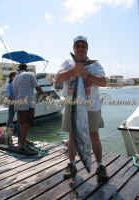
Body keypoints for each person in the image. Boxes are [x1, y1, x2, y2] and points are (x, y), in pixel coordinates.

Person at [55, 35, 109, 184]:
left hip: (92, 107)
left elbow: (103, 82)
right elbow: (57, 79)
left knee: (94, 136)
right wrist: (73, 71)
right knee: (72, 136)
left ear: (87, 48)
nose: (80, 48)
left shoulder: (95, 65)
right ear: (73, 48)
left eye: (83, 46)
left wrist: (87, 75)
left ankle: (100, 165)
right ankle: (72, 165)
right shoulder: (67, 63)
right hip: (72, 106)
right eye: (77, 46)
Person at [13, 63, 46, 154]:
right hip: (27, 104)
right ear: (26, 69)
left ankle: (22, 141)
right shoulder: (29, 74)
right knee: (26, 124)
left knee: (21, 123)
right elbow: (37, 87)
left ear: (19, 69)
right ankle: (21, 145)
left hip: (18, 103)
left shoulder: (15, 78)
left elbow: (15, 91)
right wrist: (44, 94)